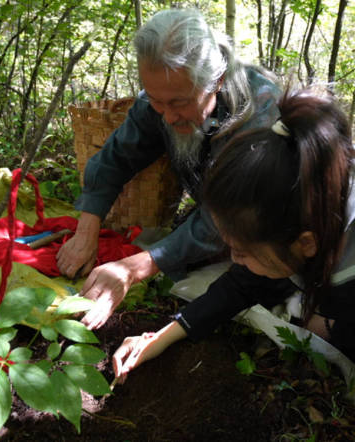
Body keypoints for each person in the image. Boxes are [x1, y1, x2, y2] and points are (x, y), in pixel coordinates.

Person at [112, 87, 355, 407]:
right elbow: (248, 279)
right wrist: (166, 334)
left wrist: (334, 327)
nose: (234, 259)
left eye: (242, 252)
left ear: (306, 244)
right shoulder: (308, 181)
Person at [56, 8, 280, 329]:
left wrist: (133, 268)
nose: (167, 117)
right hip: (214, 211)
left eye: (178, 103)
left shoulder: (257, 113)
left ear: (215, 82)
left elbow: (229, 216)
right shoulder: (161, 99)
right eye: (158, 103)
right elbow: (115, 157)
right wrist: (86, 231)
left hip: (269, 228)